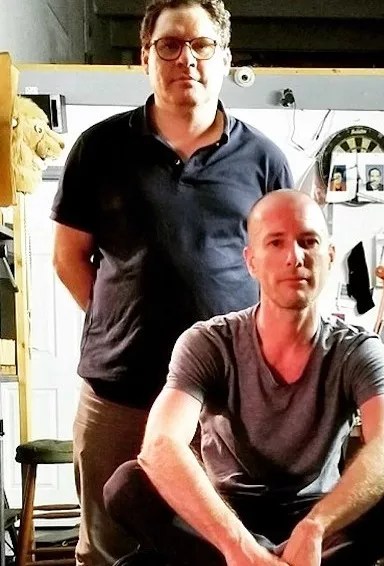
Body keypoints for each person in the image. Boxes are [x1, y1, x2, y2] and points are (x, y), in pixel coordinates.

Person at [50, 1, 293, 563]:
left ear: (225, 57)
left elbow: (284, 274)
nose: (187, 58)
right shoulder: (99, 148)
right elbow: (69, 258)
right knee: (107, 548)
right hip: (118, 393)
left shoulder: (264, 161)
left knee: (214, 546)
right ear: (146, 57)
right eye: (170, 45)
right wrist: (118, 319)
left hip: (223, 403)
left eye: (202, 44)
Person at [103, 190, 384, 566]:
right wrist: (238, 546)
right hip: (225, 515)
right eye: (276, 243)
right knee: (127, 487)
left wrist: (316, 527)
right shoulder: (209, 342)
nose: (295, 257)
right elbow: (161, 445)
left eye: (308, 242)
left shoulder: (357, 349)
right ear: (251, 261)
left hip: (318, 520)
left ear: (329, 256)